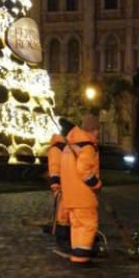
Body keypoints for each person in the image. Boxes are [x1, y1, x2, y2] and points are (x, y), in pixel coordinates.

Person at [59, 113, 102, 266]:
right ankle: (82, 257)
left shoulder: (70, 146)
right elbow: (84, 169)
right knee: (88, 225)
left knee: (77, 226)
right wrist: (96, 184)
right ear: (94, 130)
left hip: (70, 195)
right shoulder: (87, 147)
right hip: (83, 195)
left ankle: (77, 254)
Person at [47, 117, 74, 256]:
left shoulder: (68, 147)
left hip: (70, 185)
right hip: (62, 187)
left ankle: (68, 237)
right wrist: (56, 186)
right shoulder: (57, 148)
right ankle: (62, 239)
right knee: (63, 214)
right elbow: (54, 168)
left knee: (69, 213)